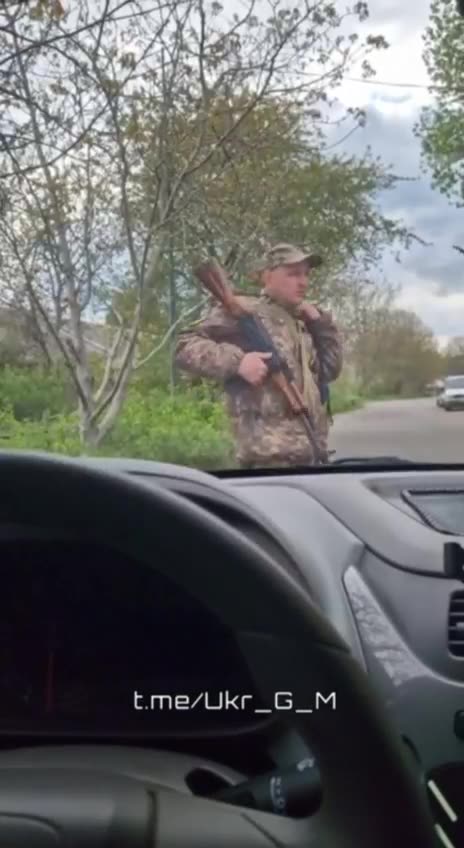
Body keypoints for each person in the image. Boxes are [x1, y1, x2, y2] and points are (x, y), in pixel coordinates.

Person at [175, 243, 343, 468]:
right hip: (266, 463)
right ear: (267, 276)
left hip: (312, 457)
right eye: (293, 274)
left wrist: (320, 324)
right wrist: (239, 362)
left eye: (306, 274)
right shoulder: (243, 311)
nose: (303, 282)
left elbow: (330, 370)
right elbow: (182, 346)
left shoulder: (303, 321)